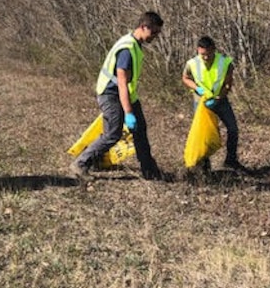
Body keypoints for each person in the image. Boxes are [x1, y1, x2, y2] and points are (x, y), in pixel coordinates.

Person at [70, 11, 165, 181]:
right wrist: (128, 113)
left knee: (140, 130)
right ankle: (81, 164)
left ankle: (149, 171)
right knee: (113, 134)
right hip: (111, 94)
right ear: (143, 27)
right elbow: (121, 82)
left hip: (126, 93)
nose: (156, 36)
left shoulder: (135, 44)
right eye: (154, 32)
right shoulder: (127, 50)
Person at [182, 35, 243, 171]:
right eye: (202, 54)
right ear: (198, 50)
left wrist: (218, 98)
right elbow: (185, 78)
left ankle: (231, 160)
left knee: (233, 129)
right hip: (201, 103)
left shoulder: (225, 63)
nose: (205, 57)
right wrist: (196, 87)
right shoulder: (192, 63)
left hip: (220, 101)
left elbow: (228, 84)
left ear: (213, 50)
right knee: (204, 134)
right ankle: (204, 165)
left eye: (208, 53)